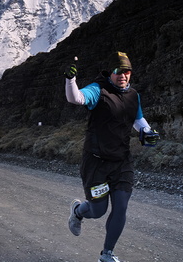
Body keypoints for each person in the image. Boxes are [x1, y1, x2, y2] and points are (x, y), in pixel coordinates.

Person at [64, 51, 160, 262]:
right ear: (111, 73)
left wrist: (146, 133)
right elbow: (76, 98)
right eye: (119, 71)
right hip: (96, 161)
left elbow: (138, 119)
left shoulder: (134, 95)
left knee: (121, 205)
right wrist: (70, 79)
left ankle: (107, 254)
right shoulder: (98, 90)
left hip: (122, 161)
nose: (123, 76)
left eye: (127, 72)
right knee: (98, 210)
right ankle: (79, 211)